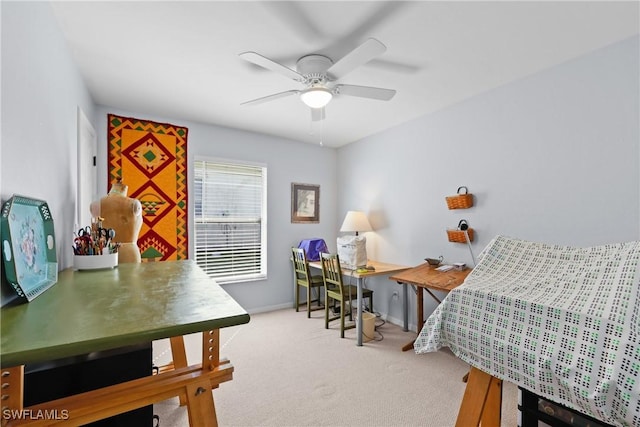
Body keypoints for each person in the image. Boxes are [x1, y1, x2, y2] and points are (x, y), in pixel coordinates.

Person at [90, 178, 143, 263]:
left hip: (105, 252)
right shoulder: (132, 204)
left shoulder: (97, 204)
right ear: (124, 189)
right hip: (128, 253)